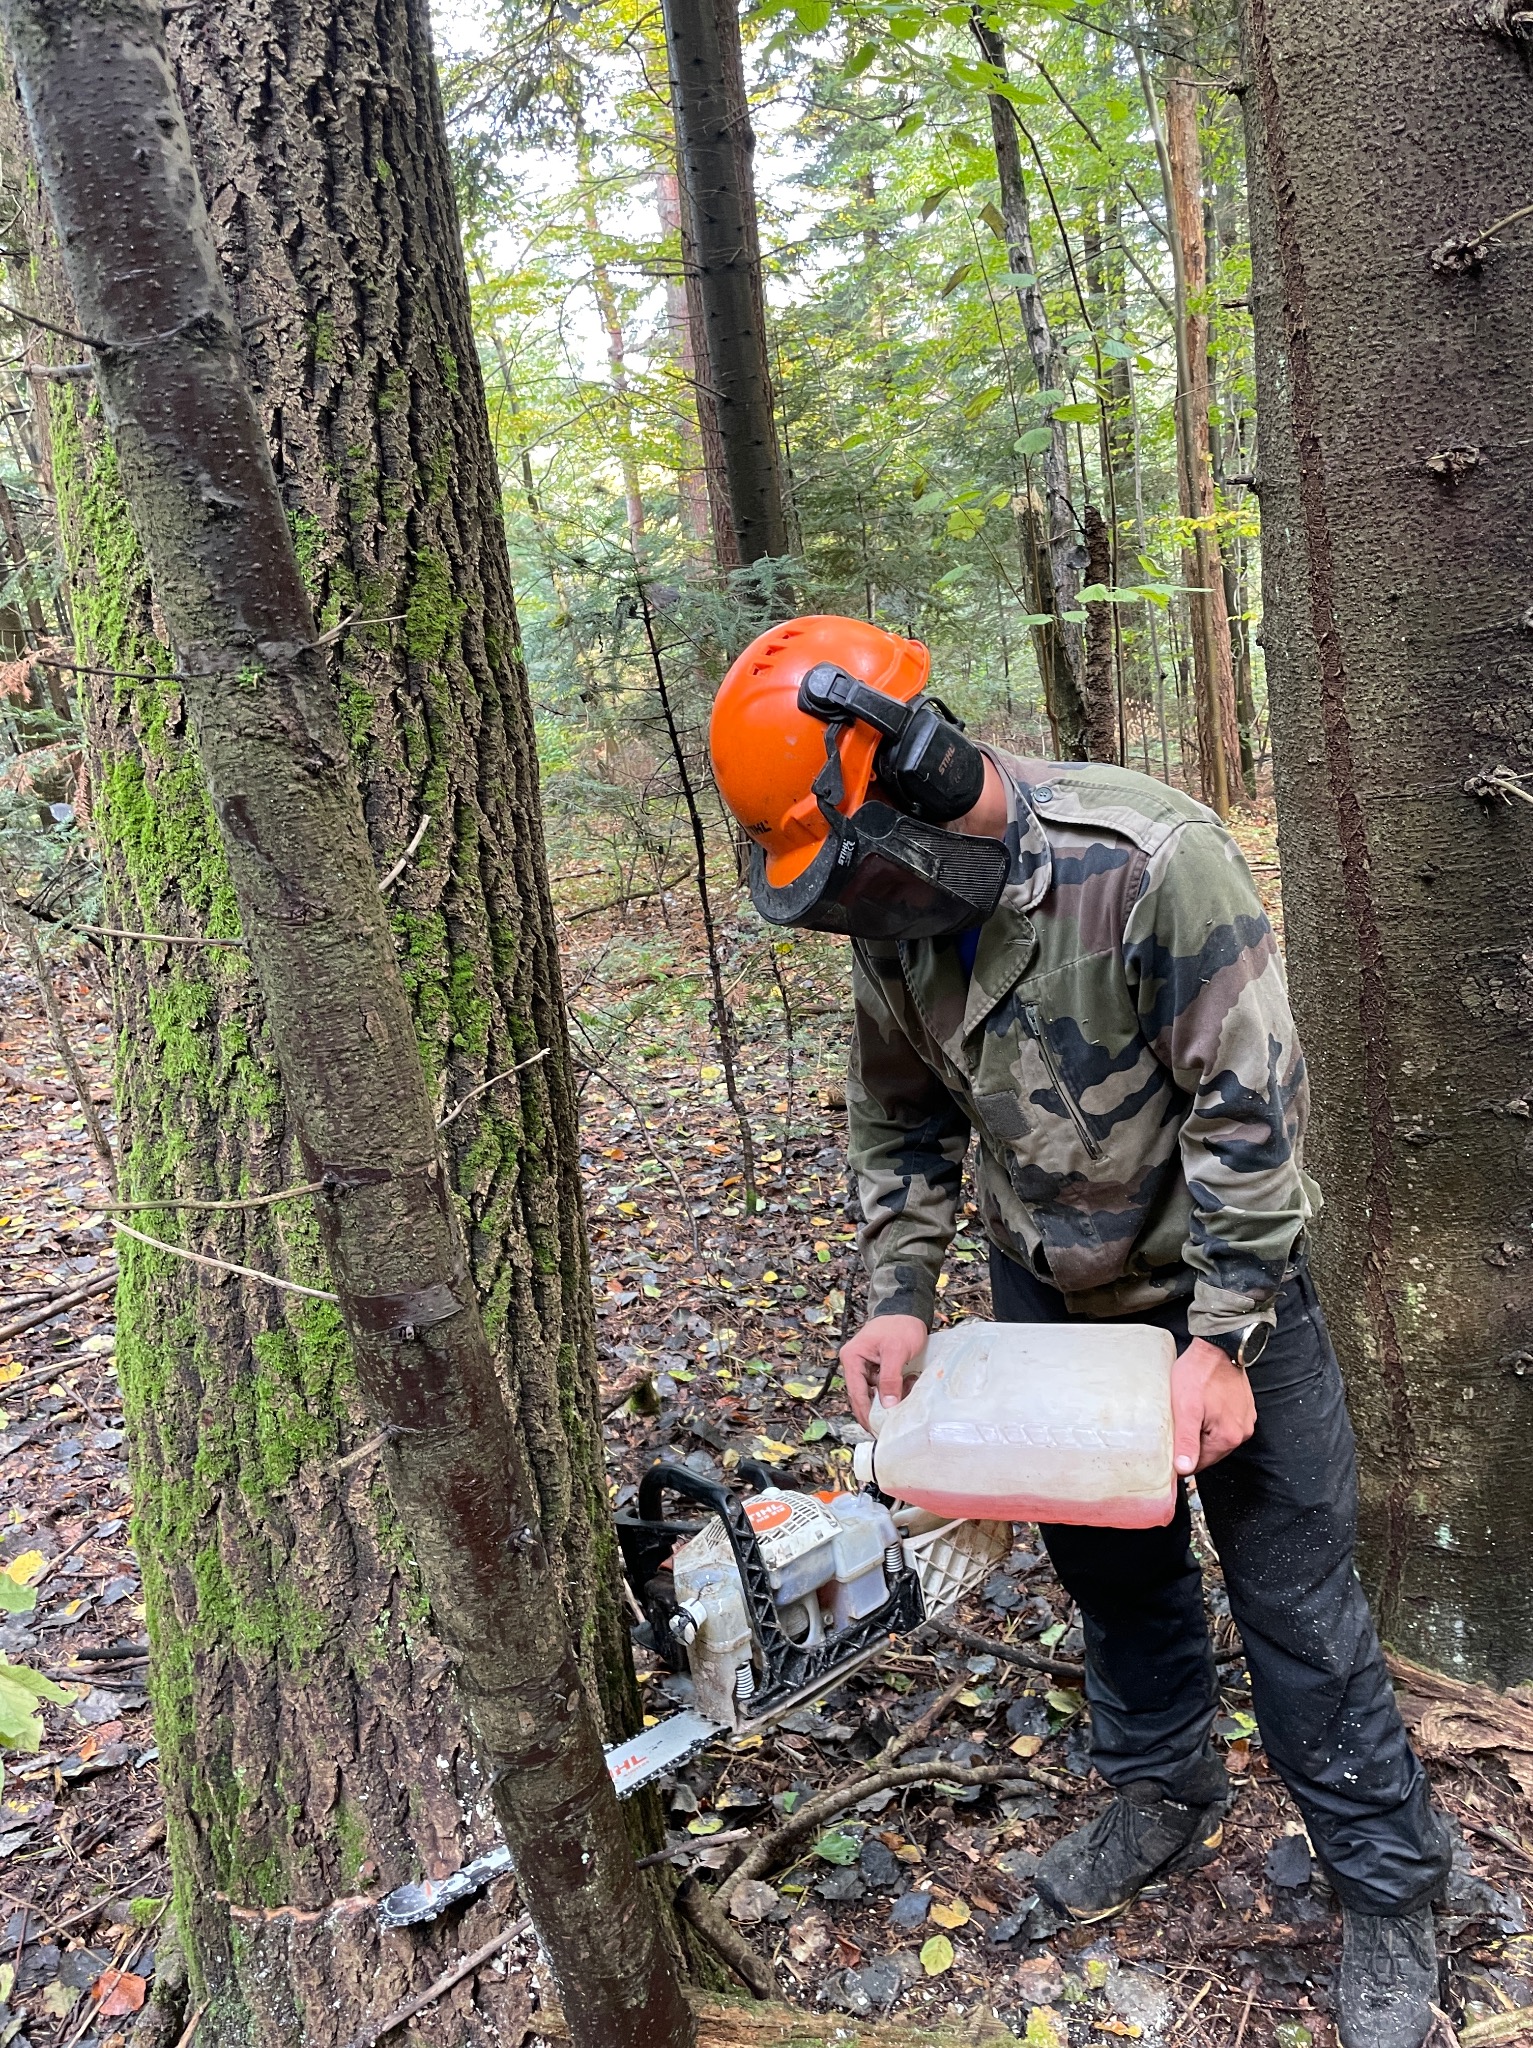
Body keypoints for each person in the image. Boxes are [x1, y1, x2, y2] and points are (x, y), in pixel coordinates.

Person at [709, 615, 1452, 2048]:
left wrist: (1222, 1339)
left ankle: (1386, 1886)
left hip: (1224, 1300)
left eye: (854, 862)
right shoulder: (895, 920)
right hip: (1046, 1286)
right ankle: (1159, 1787)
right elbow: (899, 1118)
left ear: (920, 773)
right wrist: (897, 1291)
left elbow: (1251, 1113)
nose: (855, 905)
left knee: (1295, 1602)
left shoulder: (1151, 863)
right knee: (1112, 1576)